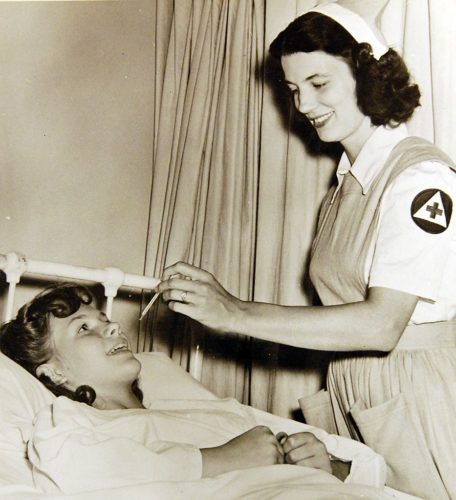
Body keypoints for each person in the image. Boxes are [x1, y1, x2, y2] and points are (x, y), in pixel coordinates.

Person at [156, 3, 456, 499]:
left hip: (419, 400)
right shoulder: (346, 186)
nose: (303, 104)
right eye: (294, 90)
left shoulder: (420, 180)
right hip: (363, 393)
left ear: (367, 74)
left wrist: (234, 312)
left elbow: (381, 325)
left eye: (320, 84)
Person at [0, 282, 357, 489]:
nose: (112, 328)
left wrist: (327, 465)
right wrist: (219, 459)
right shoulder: (65, 423)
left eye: (105, 320)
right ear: (53, 373)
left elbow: (357, 474)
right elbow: (72, 475)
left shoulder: (218, 409)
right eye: (83, 328)